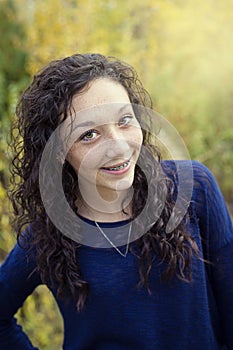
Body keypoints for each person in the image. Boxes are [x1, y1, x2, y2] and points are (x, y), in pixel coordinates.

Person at [0, 53, 232, 350]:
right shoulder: (48, 233)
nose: (117, 146)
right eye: (89, 134)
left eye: (124, 120)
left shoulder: (194, 189)